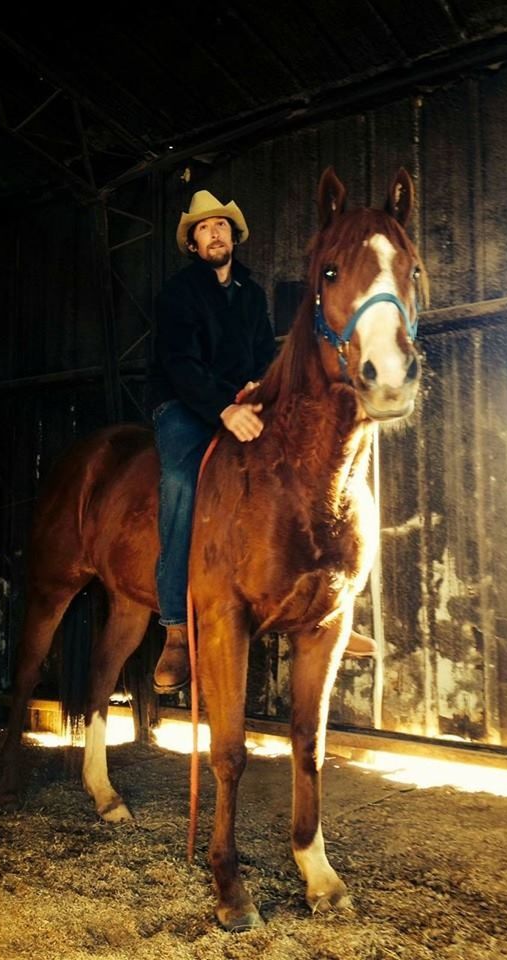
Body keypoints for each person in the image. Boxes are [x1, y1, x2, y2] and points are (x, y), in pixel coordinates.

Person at [149, 189, 377, 695]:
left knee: (306, 467)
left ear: (233, 238)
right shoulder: (178, 293)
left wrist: (258, 389)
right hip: (185, 405)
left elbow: (260, 355)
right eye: (205, 228)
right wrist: (223, 409)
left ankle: (328, 603)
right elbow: (179, 363)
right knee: (182, 482)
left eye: (222, 227)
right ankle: (175, 627)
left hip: (241, 402)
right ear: (192, 242)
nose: (215, 234)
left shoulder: (252, 294)